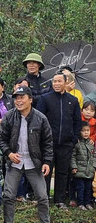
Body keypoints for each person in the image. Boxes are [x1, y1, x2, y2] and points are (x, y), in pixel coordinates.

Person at [0, 85, 55, 223]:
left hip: (34, 162)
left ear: (30, 99)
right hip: (14, 162)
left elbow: (48, 142)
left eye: (22, 98)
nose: (18, 101)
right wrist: (9, 153)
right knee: (8, 196)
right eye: (16, 98)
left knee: (42, 196)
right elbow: (1, 139)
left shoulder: (41, 118)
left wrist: (47, 162)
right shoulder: (9, 116)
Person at [36, 71, 82, 208]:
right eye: (54, 81)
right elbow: (38, 120)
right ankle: (43, 199)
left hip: (66, 144)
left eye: (59, 81)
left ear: (66, 83)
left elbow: (77, 122)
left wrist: (73, 139)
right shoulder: (45, 98)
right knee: (46, 171)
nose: (56, 84)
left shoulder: (72, 100)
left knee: (62, 172)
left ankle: (59, 200)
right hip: (48, 143)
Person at [70, 123, 96, 210]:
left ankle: (87, 203)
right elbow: (72, 157)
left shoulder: (91, 144)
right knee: (80, 188)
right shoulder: (77, 144)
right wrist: (74, 167)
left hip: (89, 171)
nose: (86, 133)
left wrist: (94, 167)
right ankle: (80, 203)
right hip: (79, 171)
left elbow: (94, 156)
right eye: (83, 131)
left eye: (87, 130)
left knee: (88, 189)